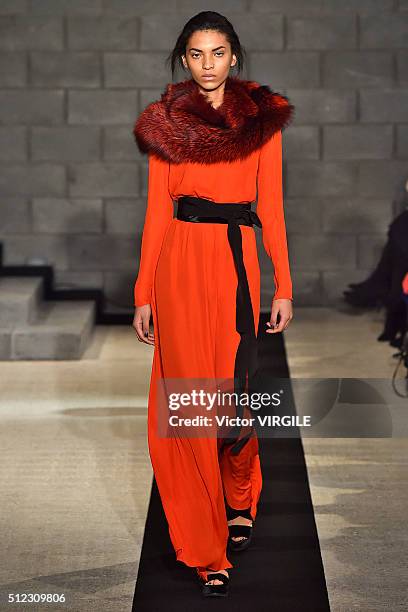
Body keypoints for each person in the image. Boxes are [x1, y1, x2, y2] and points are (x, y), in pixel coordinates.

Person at [131, 11, 294, 598]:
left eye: (217, 52)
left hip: (235, 266)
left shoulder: (262, 123)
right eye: (196, 54)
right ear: (183, 59)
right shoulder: (165, 126)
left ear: (233, 56)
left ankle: (241, 495)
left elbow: (270, 206)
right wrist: (143, 291)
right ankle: (206, 549)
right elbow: (155, 212)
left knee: (229, 397)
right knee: (188, 409)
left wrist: (284, 285)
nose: (207, 64)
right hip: (178, 267)